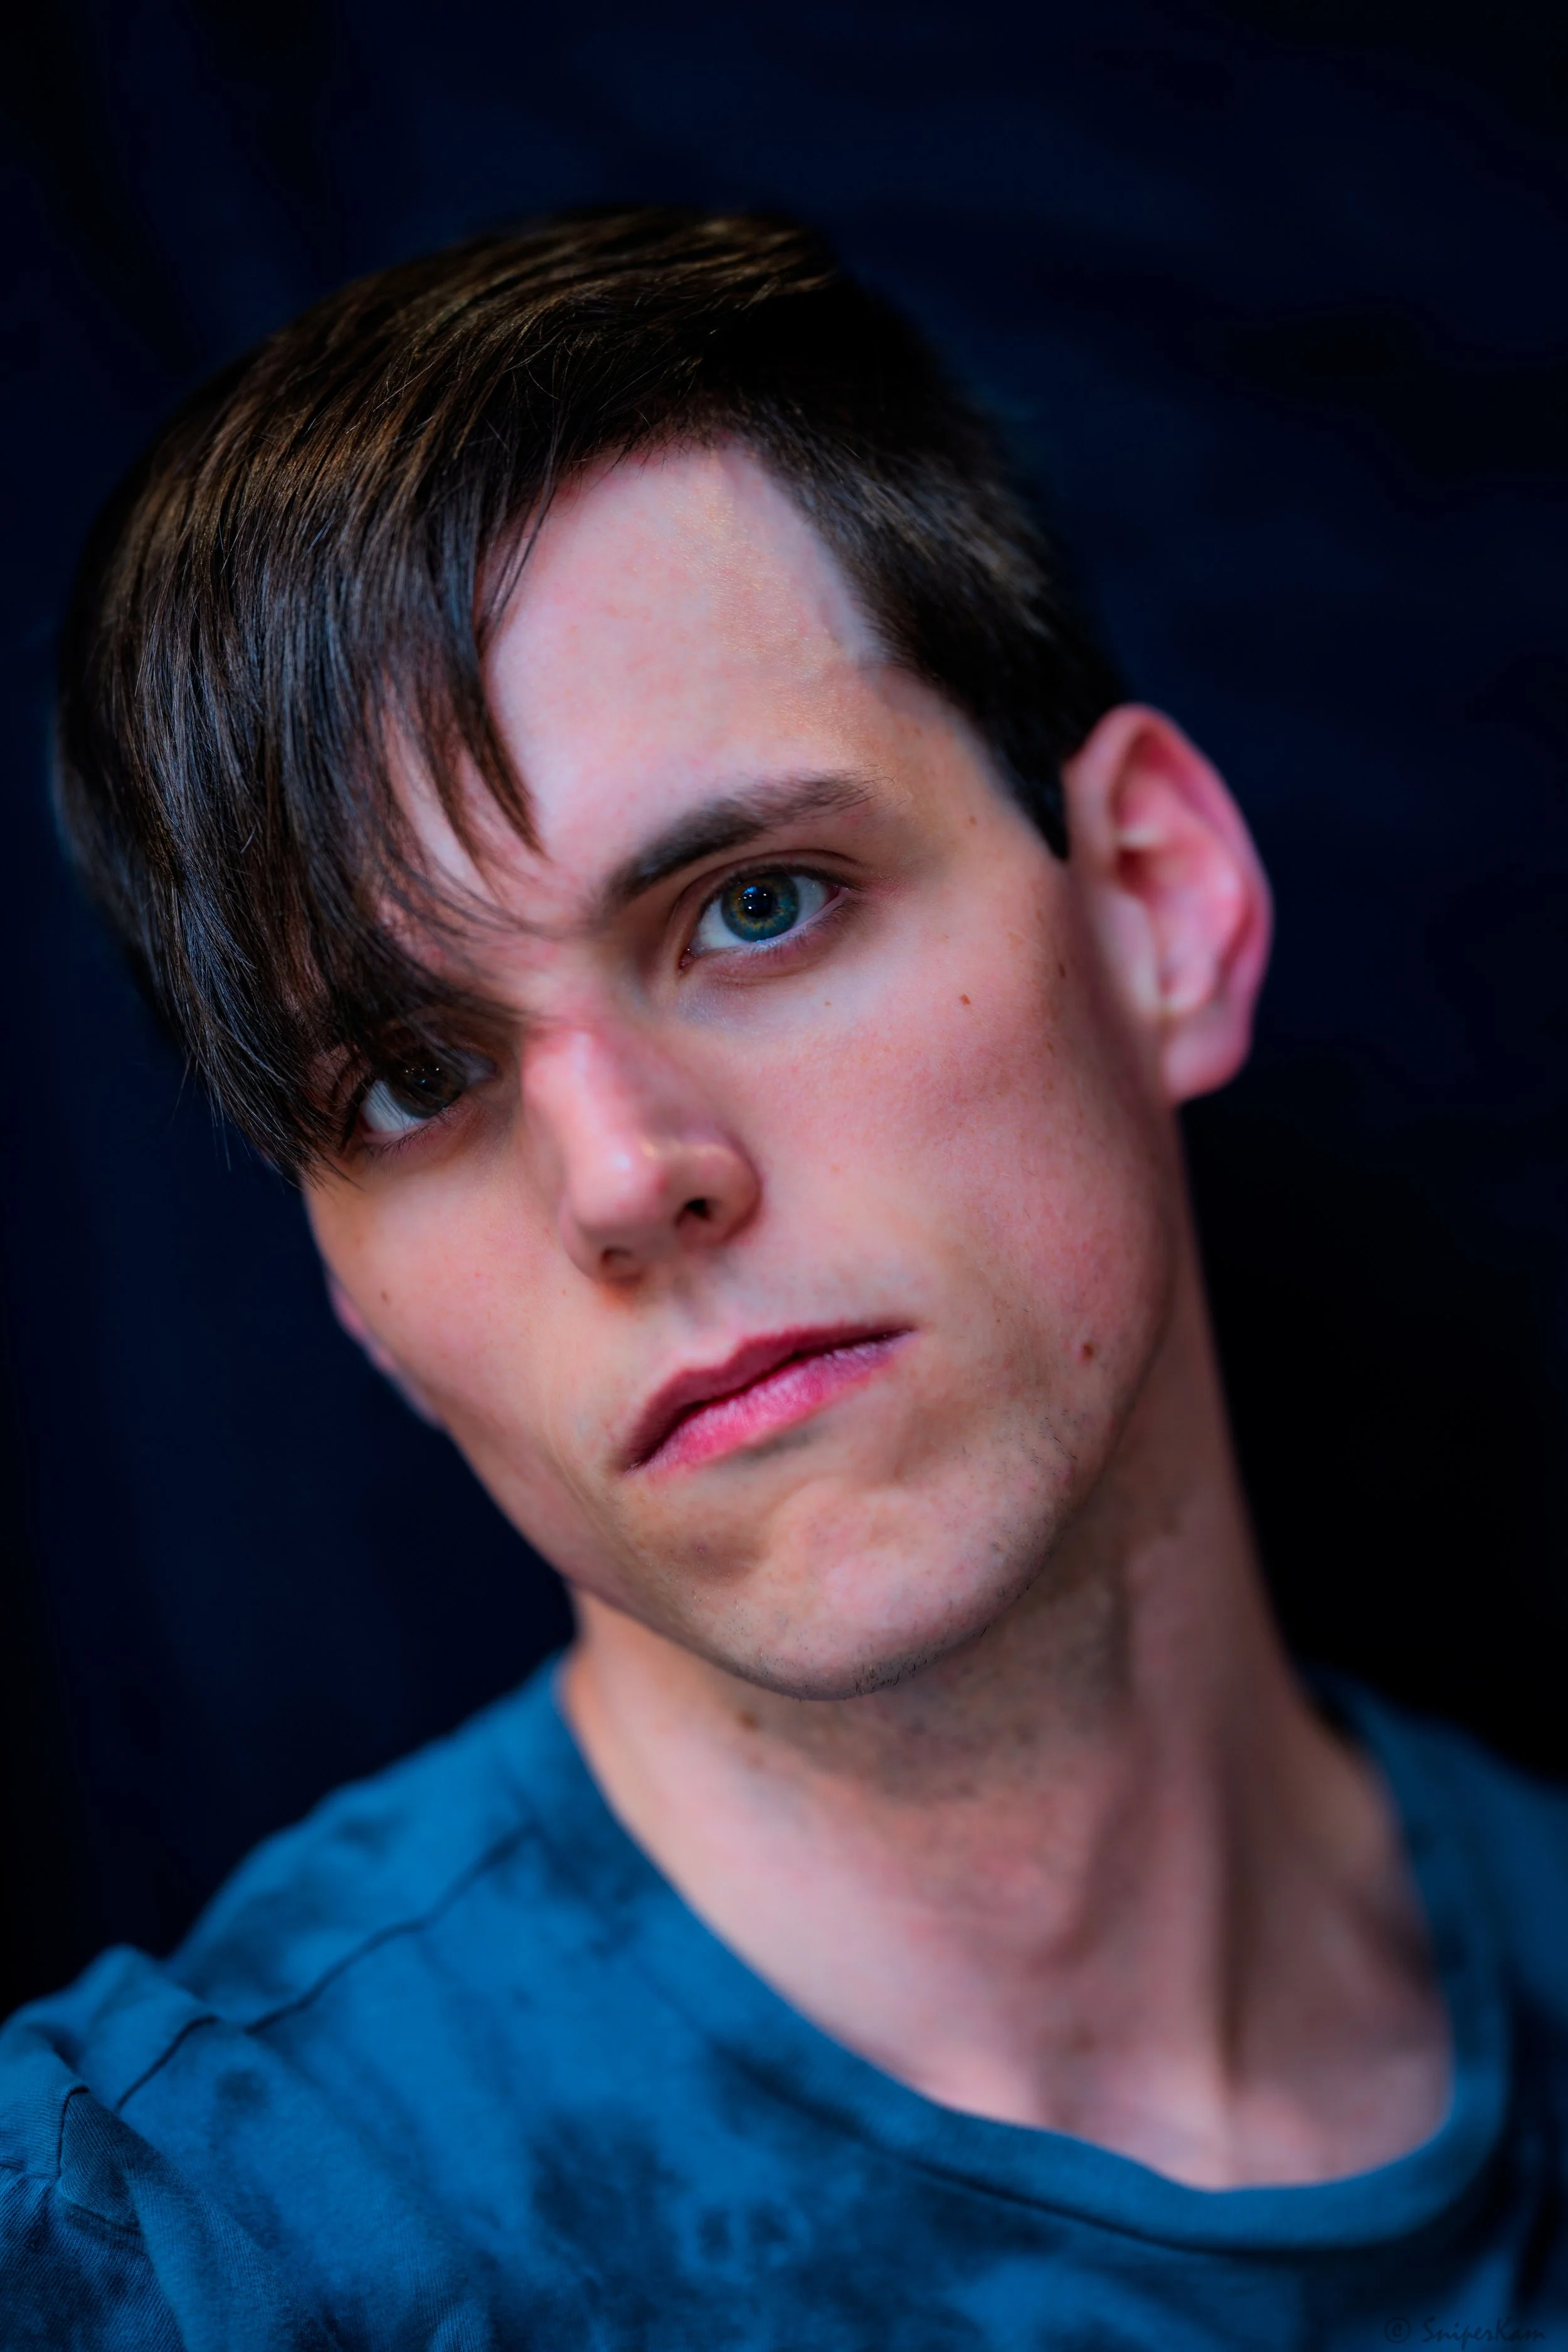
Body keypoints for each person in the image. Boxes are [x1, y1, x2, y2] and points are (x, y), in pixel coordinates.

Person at [4, 206, 1564, 2349]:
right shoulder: (188, 2245)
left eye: (757, 906)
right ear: (347, 1292)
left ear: (1157, 908)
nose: (627, 1175)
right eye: (412, 1079)